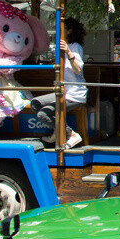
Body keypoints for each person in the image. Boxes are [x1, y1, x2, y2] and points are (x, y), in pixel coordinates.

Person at [31, 17, 87, 148]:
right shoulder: (60, 49)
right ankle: (58, 132)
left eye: (61, 29)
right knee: (35, 103)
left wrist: (68, 52)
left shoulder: (74, 47)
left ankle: (70, 133)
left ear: (69, 31)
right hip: (64, 91)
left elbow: (78, 70)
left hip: (74, 94)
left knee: (43, 114)